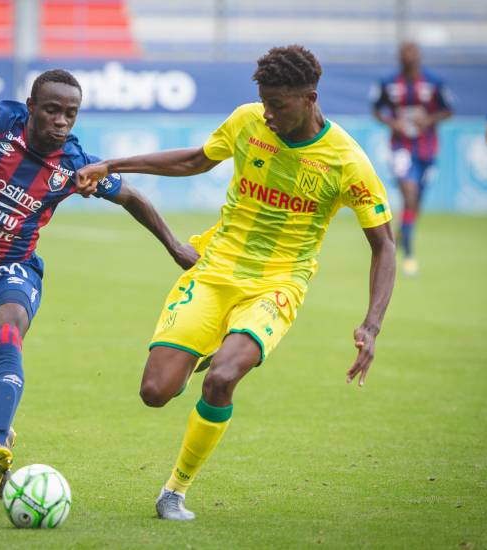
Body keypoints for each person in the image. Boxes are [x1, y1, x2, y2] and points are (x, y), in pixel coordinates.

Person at [76, 45, 396, 520]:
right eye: (263, 102)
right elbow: (195, 161)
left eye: (278, 105)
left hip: (277, 286)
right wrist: (113, 164)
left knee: (224, 378)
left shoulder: (347, 161)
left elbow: (385, 245)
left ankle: (175, 491)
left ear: (310, 98)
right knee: (155, 393)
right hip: (214, 270)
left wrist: (371, 325)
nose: (267, 115)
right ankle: (203, 350)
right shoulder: (248, 121)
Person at [0, 69, 198, 498]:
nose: (61, 121)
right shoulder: (1, 120)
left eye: (70, 113)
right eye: (52, 110)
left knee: (7, 330)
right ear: (32, 107)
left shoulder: (74, 163)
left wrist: (175, 245)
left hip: (11, 268)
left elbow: (131, 197)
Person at [371, 41, 453, 277]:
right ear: (399, 56)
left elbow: (448, 109)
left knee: (415, 205)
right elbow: (376, 108)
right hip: (400, 148)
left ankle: (395, 241)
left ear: (419, 56)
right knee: (409, 194)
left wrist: (428, 121)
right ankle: (409, 257)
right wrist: (392, 122)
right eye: (404, 52)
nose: (409, 56)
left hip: (427, 150)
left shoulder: (433, 82)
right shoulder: (388, 83)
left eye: (412, 52)